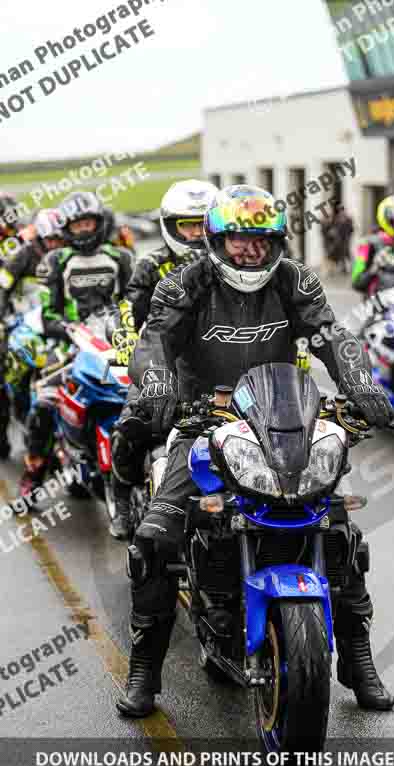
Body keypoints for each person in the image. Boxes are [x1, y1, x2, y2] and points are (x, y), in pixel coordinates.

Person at [116, 184, 394, 719]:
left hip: (283, 419)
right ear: (218, 240)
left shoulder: (295, 279)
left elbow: (332, 335)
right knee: (154, 539)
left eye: (261, 240)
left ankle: (357, 659)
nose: (250, 251)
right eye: (239, 240)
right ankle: (144, 671)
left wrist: (362, 384)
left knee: (338, 529)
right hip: (203, 420)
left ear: (276, 242)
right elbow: (155, 341)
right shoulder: (185, 282)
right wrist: (155, 387)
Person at [109, 179, 218, 540]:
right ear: (170, 227)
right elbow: (127, 308)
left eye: (203, 224)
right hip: (163, 366)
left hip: (223, 367)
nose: (195, 234)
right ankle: (122, 498)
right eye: (187, 225)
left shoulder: (232, 264)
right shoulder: (151, 265)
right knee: (131, 428)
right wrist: (125, 338)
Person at [19, 191, 134, 496]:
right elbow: (48, 314)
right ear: (67, 228)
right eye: (77, 225)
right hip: (68, 346)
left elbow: (136, 303)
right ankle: (34, 471)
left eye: (88, 223)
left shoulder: (121, 257)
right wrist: (71, 329)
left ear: (98, 222)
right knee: (43, 403)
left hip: (116, 343)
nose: (83, 230)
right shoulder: (55, 260)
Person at [0, 209, 65, 459]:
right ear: (39, 239)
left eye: (60, 240)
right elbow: (2, 288)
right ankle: (8, 419)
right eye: (51, 240)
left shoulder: (67, 257)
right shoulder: (20, 257)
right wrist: (3, 320)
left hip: (56, 324)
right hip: (20, 324)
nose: (55, 245)